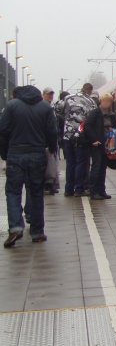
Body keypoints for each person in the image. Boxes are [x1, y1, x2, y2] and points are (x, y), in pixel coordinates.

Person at [0, 84, 58, 247]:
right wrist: (52, 149)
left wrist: (4, 153)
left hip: (15, 154)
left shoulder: (12, 106)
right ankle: (37, 232)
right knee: (36, 192)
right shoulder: (45, 108)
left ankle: (16, 227)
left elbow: (2, 131)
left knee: (13, 192)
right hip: (37, 154)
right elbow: (52, 132)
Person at [59, 83, 97, 196]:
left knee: (70, 163)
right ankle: (79, 189)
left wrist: (67, 119)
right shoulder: (90, 101)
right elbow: (92, 118)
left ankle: (68, 189)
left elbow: (57, 110)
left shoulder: (67, 98)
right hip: (81, 136)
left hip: (67, 136)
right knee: (81, 163)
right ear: (90, 90)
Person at [83, 93, 116, 200]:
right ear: (101, 101)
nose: (107, 103)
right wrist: (94, 140)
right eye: (105, 101)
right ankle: (93, 191)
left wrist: (113, 131)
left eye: (109, 101)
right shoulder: (95, 113)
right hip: (97, 145)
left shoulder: (111, 114)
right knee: (96, 168)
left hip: (107, 144)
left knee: (103, 168)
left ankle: (102, 191)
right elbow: (87, 126)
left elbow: (115, 126)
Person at [41, 87, 60, 194]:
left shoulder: (51, 107)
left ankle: (52, 184)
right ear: (43, 95)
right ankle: (49, 184)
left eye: (52, 94)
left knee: (53, 162)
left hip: (52, 139)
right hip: (46, 141)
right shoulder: (44, 107)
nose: (50, 96)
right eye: (48, 94)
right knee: (49, 163)